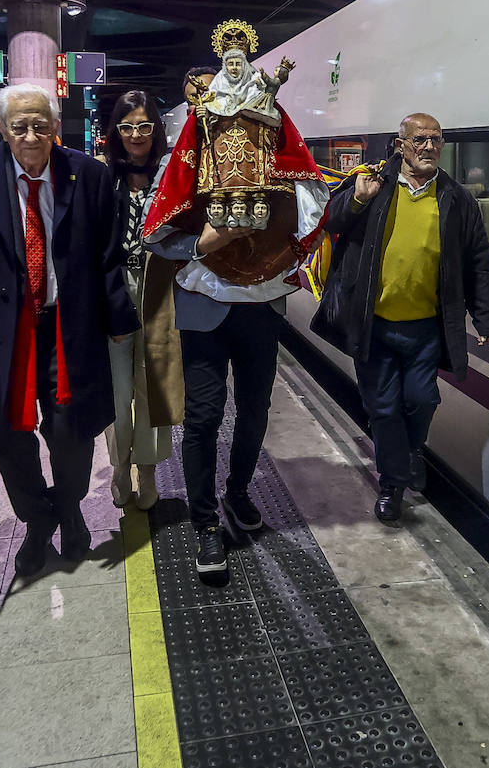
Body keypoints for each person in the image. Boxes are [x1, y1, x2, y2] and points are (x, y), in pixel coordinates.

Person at [0, 84, 138, 577]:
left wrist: (119, 318)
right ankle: (37, 518)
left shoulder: (88, 175)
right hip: (3, 333)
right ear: (0, 127)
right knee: (7, 432)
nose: (30, 134)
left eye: (41, 124)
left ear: (55, 126)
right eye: (19, 125)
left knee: (71, 429)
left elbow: (108, 255)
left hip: (67, 326)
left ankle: (70, 507)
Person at [144, 34, 327, 581]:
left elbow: (308, 206)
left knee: (255, 410)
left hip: (260, 307)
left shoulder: (280, 167)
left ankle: (239, 492)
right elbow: (154, 235)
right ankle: (204, 525)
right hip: (204, 306)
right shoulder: (186, 163)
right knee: (203, 418)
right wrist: (205, 244)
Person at [312, 113, 489, 523]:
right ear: (400, 145)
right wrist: (357, 198)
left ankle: (411, 449)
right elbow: (330, 221)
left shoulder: (456, 198)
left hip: (425, 326)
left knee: (421, 399)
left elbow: (478, 261)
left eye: (436, 140)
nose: (429, 147)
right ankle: (393, 484)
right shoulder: (373, 184)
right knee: (382, 407)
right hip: (374, 323)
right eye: (420, 140)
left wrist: (486, 318)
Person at [102, 90, 183, 510]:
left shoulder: (170, 177)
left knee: (151, 386)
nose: (136, 135)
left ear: (156, 131)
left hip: (159, 293)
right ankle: (119, 468)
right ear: (116, 131)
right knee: (117, 392)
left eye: (145, 126)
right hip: (116, 293)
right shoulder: (102, 177)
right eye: (128, 126)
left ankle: (148, 470)